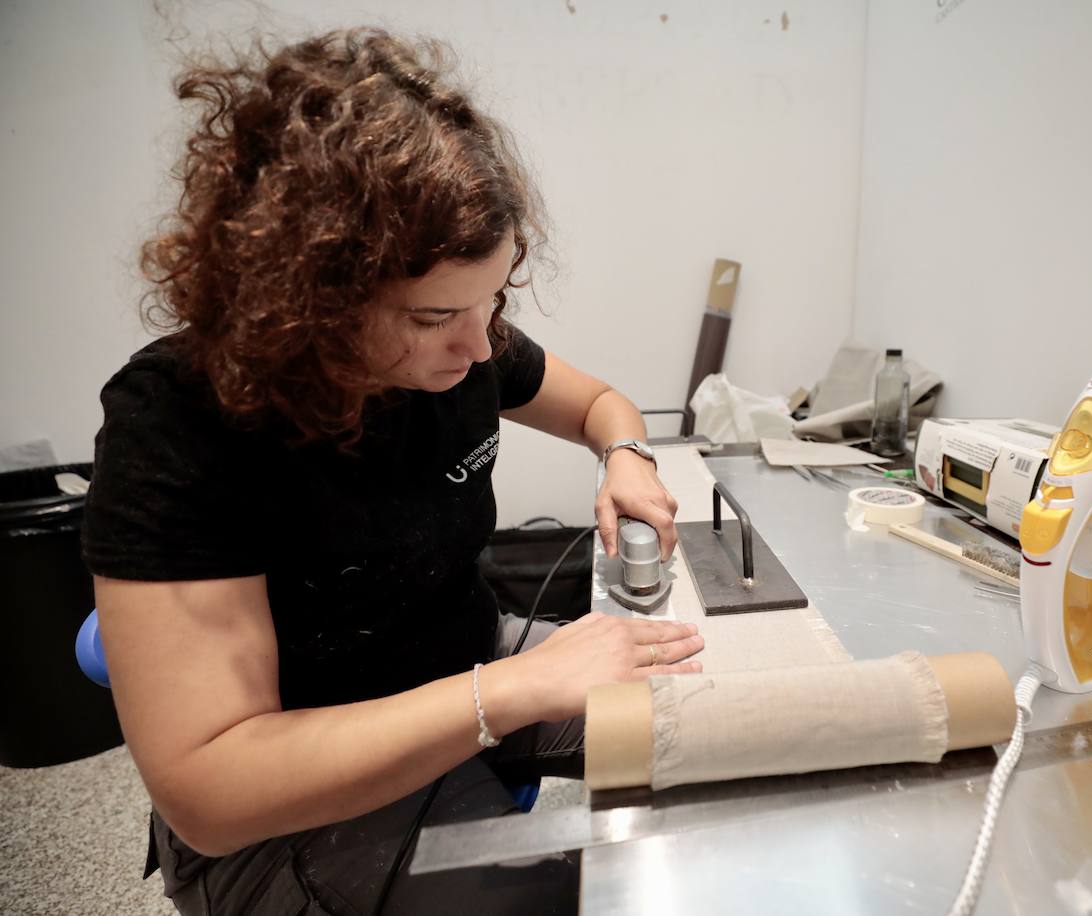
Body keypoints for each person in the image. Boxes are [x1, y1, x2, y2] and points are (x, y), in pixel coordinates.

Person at [81, 28, 704, 915]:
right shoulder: (178, 423)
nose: (481, 345)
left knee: (714, 718)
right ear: (308, 296)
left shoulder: (462, 345)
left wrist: (628, 457)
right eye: (436, 315)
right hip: (288, 808)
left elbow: (600, 402)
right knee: (597, 901)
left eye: (493, 302)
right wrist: (509, 692)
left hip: (464, 666)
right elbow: (212, 793)